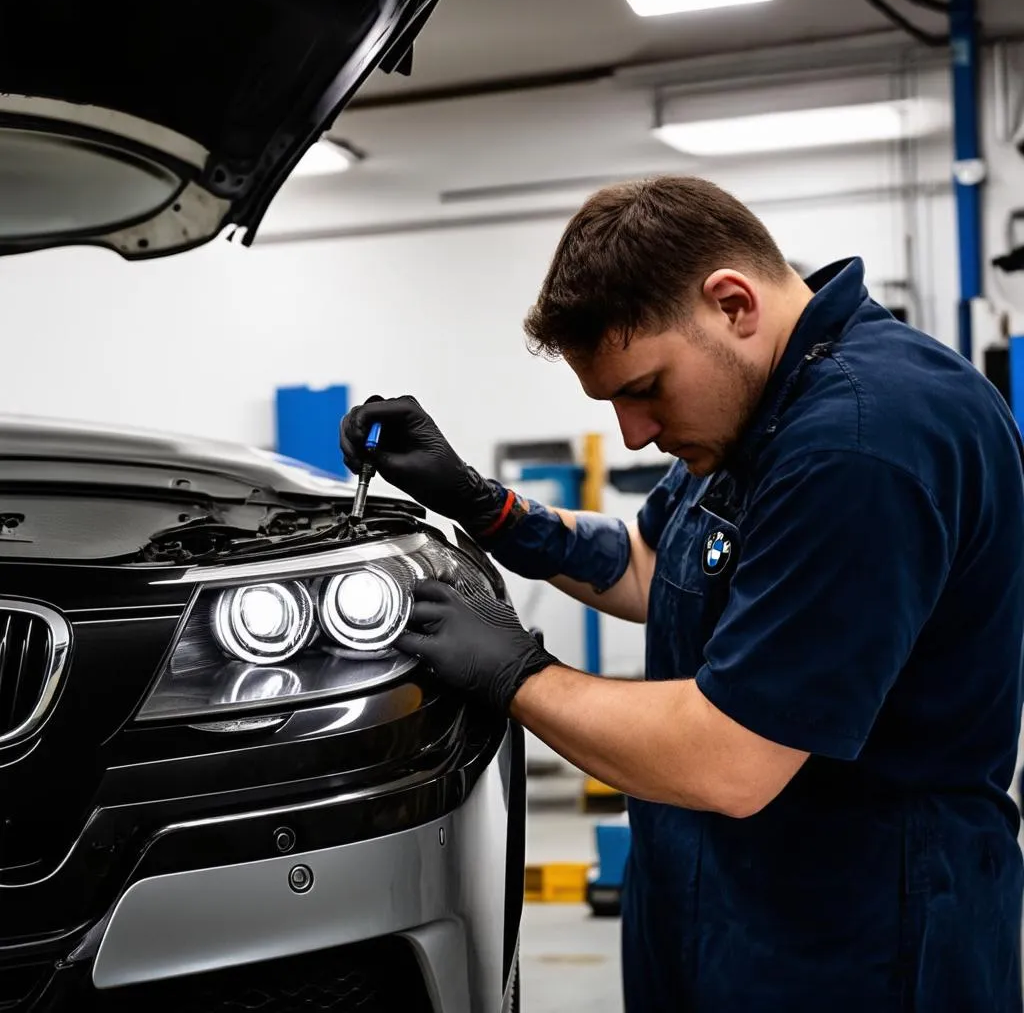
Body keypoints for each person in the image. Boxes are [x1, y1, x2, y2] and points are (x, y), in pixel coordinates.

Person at [340, 176, 1024, 1012]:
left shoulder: (860, 445)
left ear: (733, 303)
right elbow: (650, 565)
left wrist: (518, 674)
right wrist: (485, 506)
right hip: (726, 907)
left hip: (857, 937)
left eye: (643, 388)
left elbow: (733, 758)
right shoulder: (761, 408)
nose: (633, 432)